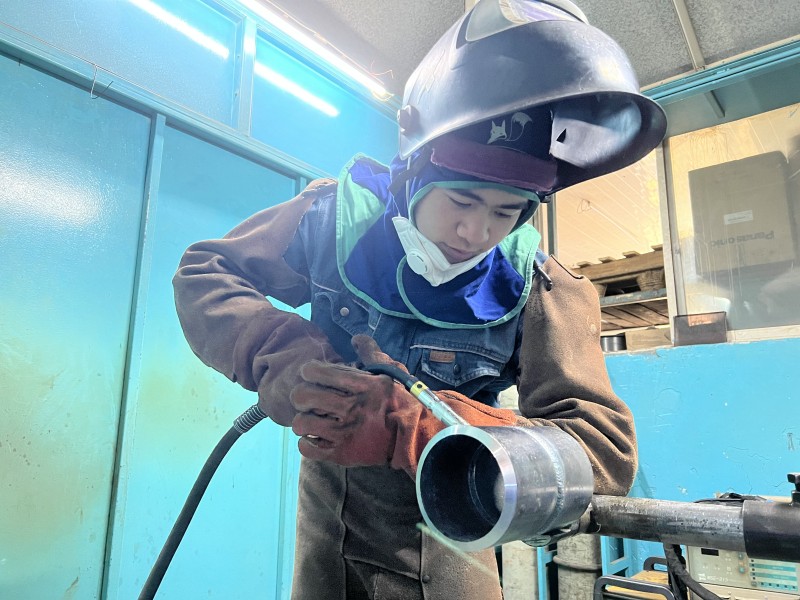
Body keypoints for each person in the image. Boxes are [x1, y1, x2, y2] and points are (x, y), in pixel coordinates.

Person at [172, 0, 667, 598]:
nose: (477, 232)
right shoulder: (337, 223)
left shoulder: (539, 290)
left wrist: (420, 429)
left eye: (506, 211)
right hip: (327, 538)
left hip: (456, 539)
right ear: (414, 173)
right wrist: (279, 354)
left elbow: (604, 455)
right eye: (461, 201)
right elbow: (207, 271)